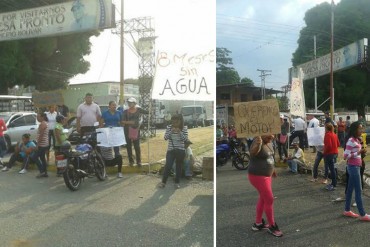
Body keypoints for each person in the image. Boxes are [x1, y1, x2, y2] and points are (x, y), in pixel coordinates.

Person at [248, 135, 283, 237]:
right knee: (269, 199)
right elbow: (253, 152)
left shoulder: (270, 142)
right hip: (258, 176)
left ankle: (258, 224)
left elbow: (270, 157)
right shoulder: (257, 141)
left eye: (272, 133)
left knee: (263, 198)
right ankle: (272, 226)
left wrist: (273, 170)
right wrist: (258, 143)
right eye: (269, 134)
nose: (271, 136)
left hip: (267, 176)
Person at [343, 122, 370, 221]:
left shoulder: (357, 139)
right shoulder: (350, 140)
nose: (361, 131)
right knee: (358, 191)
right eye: (359, 129)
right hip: (353, 167)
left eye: (362, 129)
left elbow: (356, 152)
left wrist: (362, 152)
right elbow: (345, 156)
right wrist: (358, 152)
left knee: (350, 190)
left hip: (356, 166)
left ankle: (347, 210)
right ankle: (362, 214)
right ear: (354, 130)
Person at [158, 114, 188, 189]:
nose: (174, 124)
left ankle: (177, 183)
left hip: (180, 150)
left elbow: (186, 140)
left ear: (180, 122)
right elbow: (165, 138)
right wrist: (171, 132)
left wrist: (179, 132)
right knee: (168, 166)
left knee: (178, 167)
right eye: (173, 122)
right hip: (171, 150)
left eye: (176, 122)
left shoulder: (184, 128)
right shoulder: (169, 127)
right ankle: (163, 182)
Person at [121, 97, 148, 167]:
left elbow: (148, 112)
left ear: (135, 103)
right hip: (127, 130)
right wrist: (131, 122)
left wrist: (150, 104)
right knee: (128, 146)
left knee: (137, 146)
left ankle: (139, 161)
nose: (130, 104)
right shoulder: (125, 111)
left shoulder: (139, 109)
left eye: (131, 102)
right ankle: (131, 161)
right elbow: (122, 121)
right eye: (129, 102)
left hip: (136, 130)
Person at [323, 123, 340, 191]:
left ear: (326, 128)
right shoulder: (334, 134)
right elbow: (338, 144)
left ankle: (334, 184)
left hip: (329, 154)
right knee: (334, 168)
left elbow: (328, 146)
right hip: (335, 153)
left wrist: (324, 152)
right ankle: (334, 182)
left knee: (332, 169)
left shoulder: (327, 135)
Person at [35, 112, 49, 178]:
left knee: (34, 157)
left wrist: (37, 144)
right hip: (44, 144)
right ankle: (45, 172)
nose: (37, 118)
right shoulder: (44, 123)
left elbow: (41, 135)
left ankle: (42, 171)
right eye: (37, 117)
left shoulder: (43, 124)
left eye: (38, 117)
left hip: (42, 145)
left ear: (42, 117)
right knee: (42, 158)